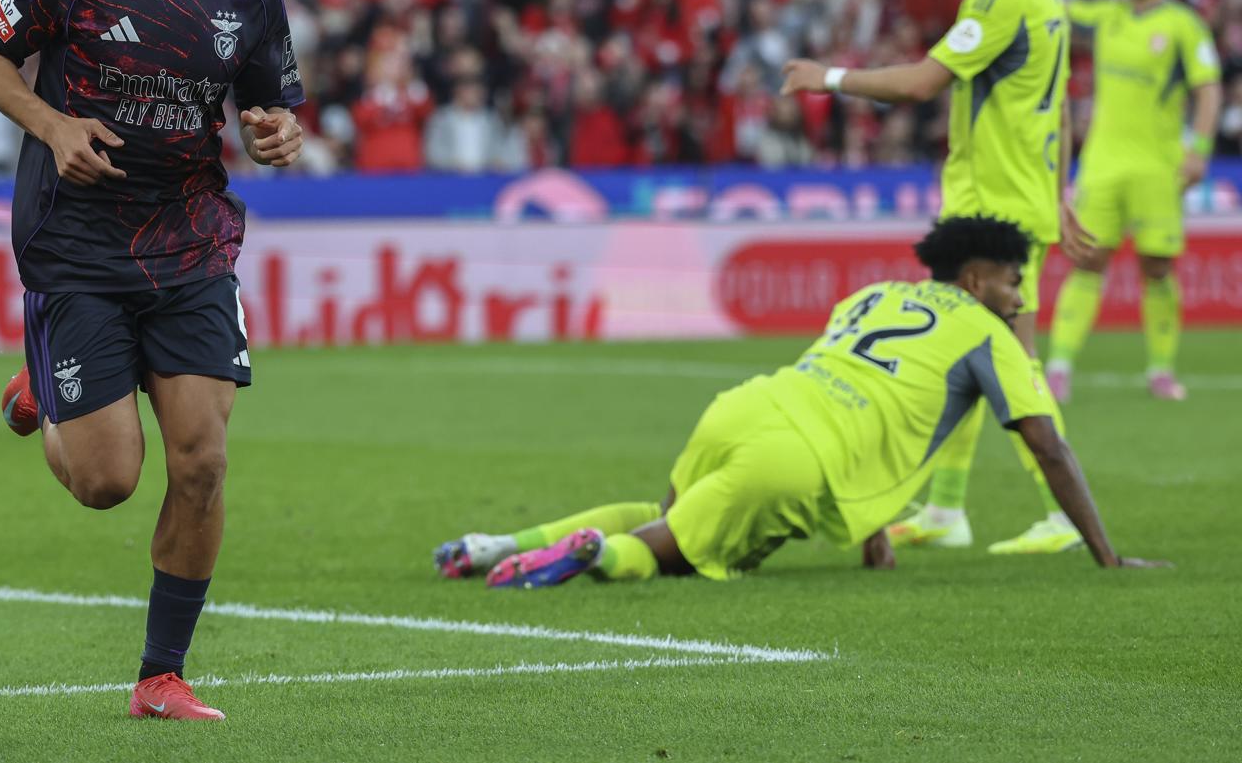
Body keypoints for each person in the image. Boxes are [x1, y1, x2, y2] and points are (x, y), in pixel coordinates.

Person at [0, 0, 305, 722]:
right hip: (78, 240)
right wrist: (52, 122)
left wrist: (277, 131)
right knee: (107, 480)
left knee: (203, 462)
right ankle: (42, 381)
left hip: (190, 239)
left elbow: (272, 101)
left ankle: (162, 673)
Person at [433, 217, 1168, 589]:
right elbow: (1047, 443)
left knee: (668, 515)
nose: (1020, 297)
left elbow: (879, 397)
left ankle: (496, 545)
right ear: (976, 281)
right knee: (672, 554)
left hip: (745, 405)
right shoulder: (988, 332)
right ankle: (595, 555)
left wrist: (873, 529)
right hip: (800, 458)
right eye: (1012, 282)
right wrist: (1106, 554)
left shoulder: (876, 294)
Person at [781, 0, 1092, 556]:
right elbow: (1060, 101)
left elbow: (922, 83)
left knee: (1014, 363)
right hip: (1010, 202)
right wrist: (1061, 190)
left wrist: (825, 76)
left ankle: (1062, 513)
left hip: (996, 217)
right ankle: (948, 508)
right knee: (963, 357)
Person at [1048, 0, 1222, 402]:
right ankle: (1059, 367)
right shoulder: (1107, 15)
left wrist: (1199, 148)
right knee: (1086, 260)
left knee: (1158, 267)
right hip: (1102, 165)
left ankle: (1161, 370)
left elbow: (1208, 87)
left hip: (1157, 168)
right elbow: (1056, 5)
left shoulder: (1185, 26)